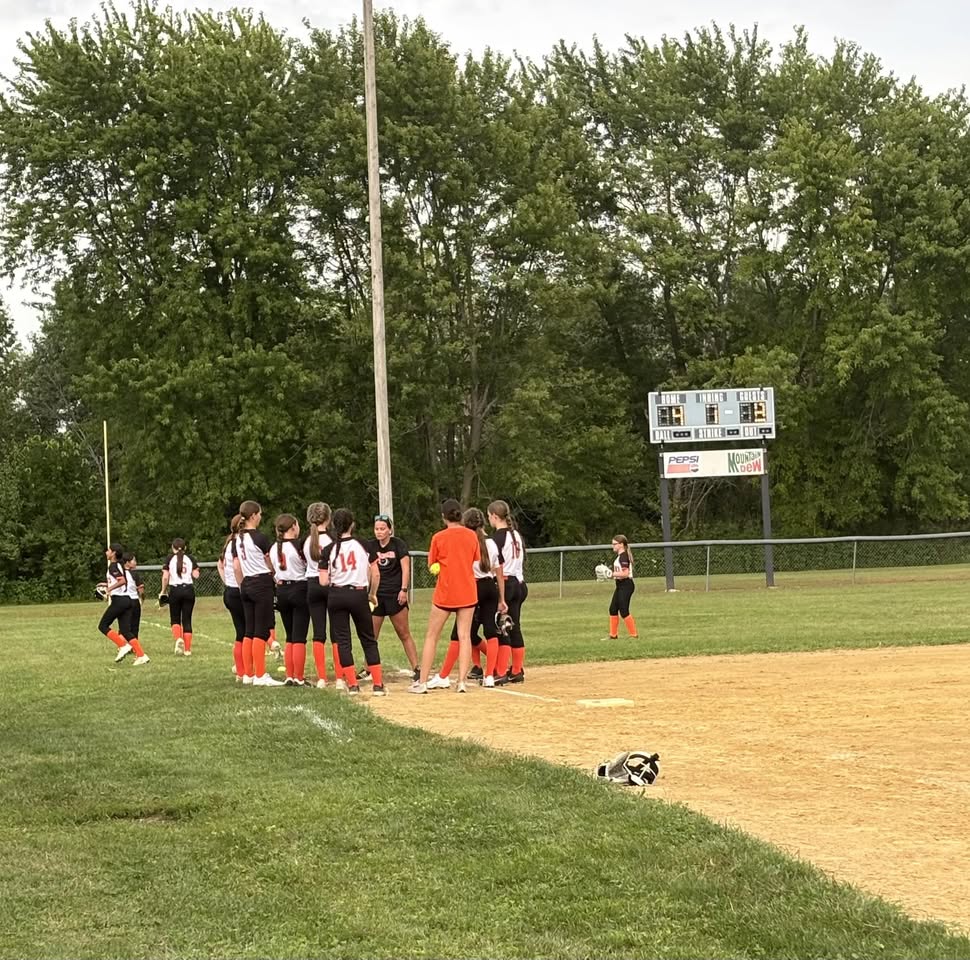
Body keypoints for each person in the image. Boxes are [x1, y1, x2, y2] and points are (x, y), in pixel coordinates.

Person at [426, 507, 506, 689]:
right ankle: (489, 675)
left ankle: (444, 675)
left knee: (460, 634)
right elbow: (499, 572)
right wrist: (502, 599)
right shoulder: (492, 543)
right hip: (490, 586)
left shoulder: (466, 539)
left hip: (472, 587)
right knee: (490, 630)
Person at [409, 499, 480, 695]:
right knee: (464, 636)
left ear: (443, 517)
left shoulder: (438, 537)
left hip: (446, 591)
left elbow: (432, 564)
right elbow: (475, 559)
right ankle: (462, 682)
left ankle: (423, 682)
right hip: (467, 590)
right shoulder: (471, 535)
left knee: (432, 636)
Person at [318, 508, 384, 696]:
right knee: (368, 639)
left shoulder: (329, 549)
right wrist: (372, 594)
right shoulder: (363, 544)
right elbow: (376, 574)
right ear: (352, 524)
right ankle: (378, 685)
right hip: (358, 594)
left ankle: (353, 685)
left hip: (337, 595)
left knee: (343, 641)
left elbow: (323, 581)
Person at [231, 500, 283, 687]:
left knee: (249, 631)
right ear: (253, 515)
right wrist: (274, 573)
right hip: (261, 583)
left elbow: (237, 565)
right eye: (259, 514)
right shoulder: (259, 537)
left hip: (246, 583)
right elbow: (268, 562)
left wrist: (242, 584)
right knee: (261, 631)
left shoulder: (237, 539)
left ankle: (248, 674)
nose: (260, 517)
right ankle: (260, 674)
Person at [369, 513, 419, 681]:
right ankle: (368, 668)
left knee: (404, 633)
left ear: (390, 530)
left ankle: (416, 667)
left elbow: (405, 569)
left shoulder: (398, 545)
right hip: (377, 596)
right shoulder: (371, 546)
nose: (379, 532)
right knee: (371, 636)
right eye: (377, 529)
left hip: (394, 594)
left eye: (382, 528)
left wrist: (404, 590)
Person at [487, 499, 528, 685]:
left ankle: (501, 671)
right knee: (514, 626)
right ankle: (517, 670)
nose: (489, 519)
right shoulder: (515, 534)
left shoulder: (498, 537)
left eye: (489, 516)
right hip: (519, 583)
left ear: (495, 516)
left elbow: (496, 564)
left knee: (501, 627)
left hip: (506, 584)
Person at [304, 502, 341, 689]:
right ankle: (340, 677)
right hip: (330, 583)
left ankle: (321, 678)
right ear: (328, 518)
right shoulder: (332, 540)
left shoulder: (307, 541)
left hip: (312, 584)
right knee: (337, 632)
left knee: (318, 632)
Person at [272, 513, 310, 686]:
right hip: (299, 588)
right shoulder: (299, 545)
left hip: (282, 590)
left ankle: (289, 675)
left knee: (289, 636)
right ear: (293, 527)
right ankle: (299, 677)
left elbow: (271, 568)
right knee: (299, 637)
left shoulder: (274, 546)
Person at [97, 543, 149, 665]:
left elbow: (122, 581)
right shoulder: (120, 565)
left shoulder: (113, 566)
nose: (106, 552)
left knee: (103, 626)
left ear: (113, 553)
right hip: (127, 600)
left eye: (108, 550)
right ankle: (141, 655)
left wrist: (109, 589)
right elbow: (121, 580)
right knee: (125, 631)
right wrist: (106, 584)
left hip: (119, 600)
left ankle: (122, 645)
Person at [218, 514, 248, 682]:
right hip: (238, 591)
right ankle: (246, 671)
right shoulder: (239, 543)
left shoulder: (229, 543)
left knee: (240, 632)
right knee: (247, 633)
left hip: (230, 590)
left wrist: (227, 582)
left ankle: (240, 670)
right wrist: (242, 586)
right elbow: (237, 567)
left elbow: (220, 565)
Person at [160, 538, 199, 656]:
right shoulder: (190, 558)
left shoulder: (169, 558)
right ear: (185, 548)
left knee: (175, 619)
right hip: (188, 589)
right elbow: (196, 575)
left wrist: (163, 591)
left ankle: (178, 639)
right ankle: (187, 650)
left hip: (175, 590)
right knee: (187, 620)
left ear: (173, 548)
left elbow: (165, 577)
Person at [603, 534, 638, 640]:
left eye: (615, 544)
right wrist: (610, 575)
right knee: (613, 609)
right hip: (620, 584)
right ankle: (613, 635)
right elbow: (619, 574)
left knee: (624, 610)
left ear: (621, 544)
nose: (613, 546)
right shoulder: (620, 556)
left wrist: (611, 574)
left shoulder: (623, 556)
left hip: (626, 585)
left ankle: (634, 635)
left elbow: (625, 574)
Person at [123, 552, 146, 660]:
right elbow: (141, 590)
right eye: (134, 560)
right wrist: (142, 599)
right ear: (127, 563)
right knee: (134, 626)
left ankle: (123, 645)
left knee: (124, 625)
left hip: (123, 601)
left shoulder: (119, 573)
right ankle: (134, 647)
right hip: (134, 601)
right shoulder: (134, 574)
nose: (135, 562)